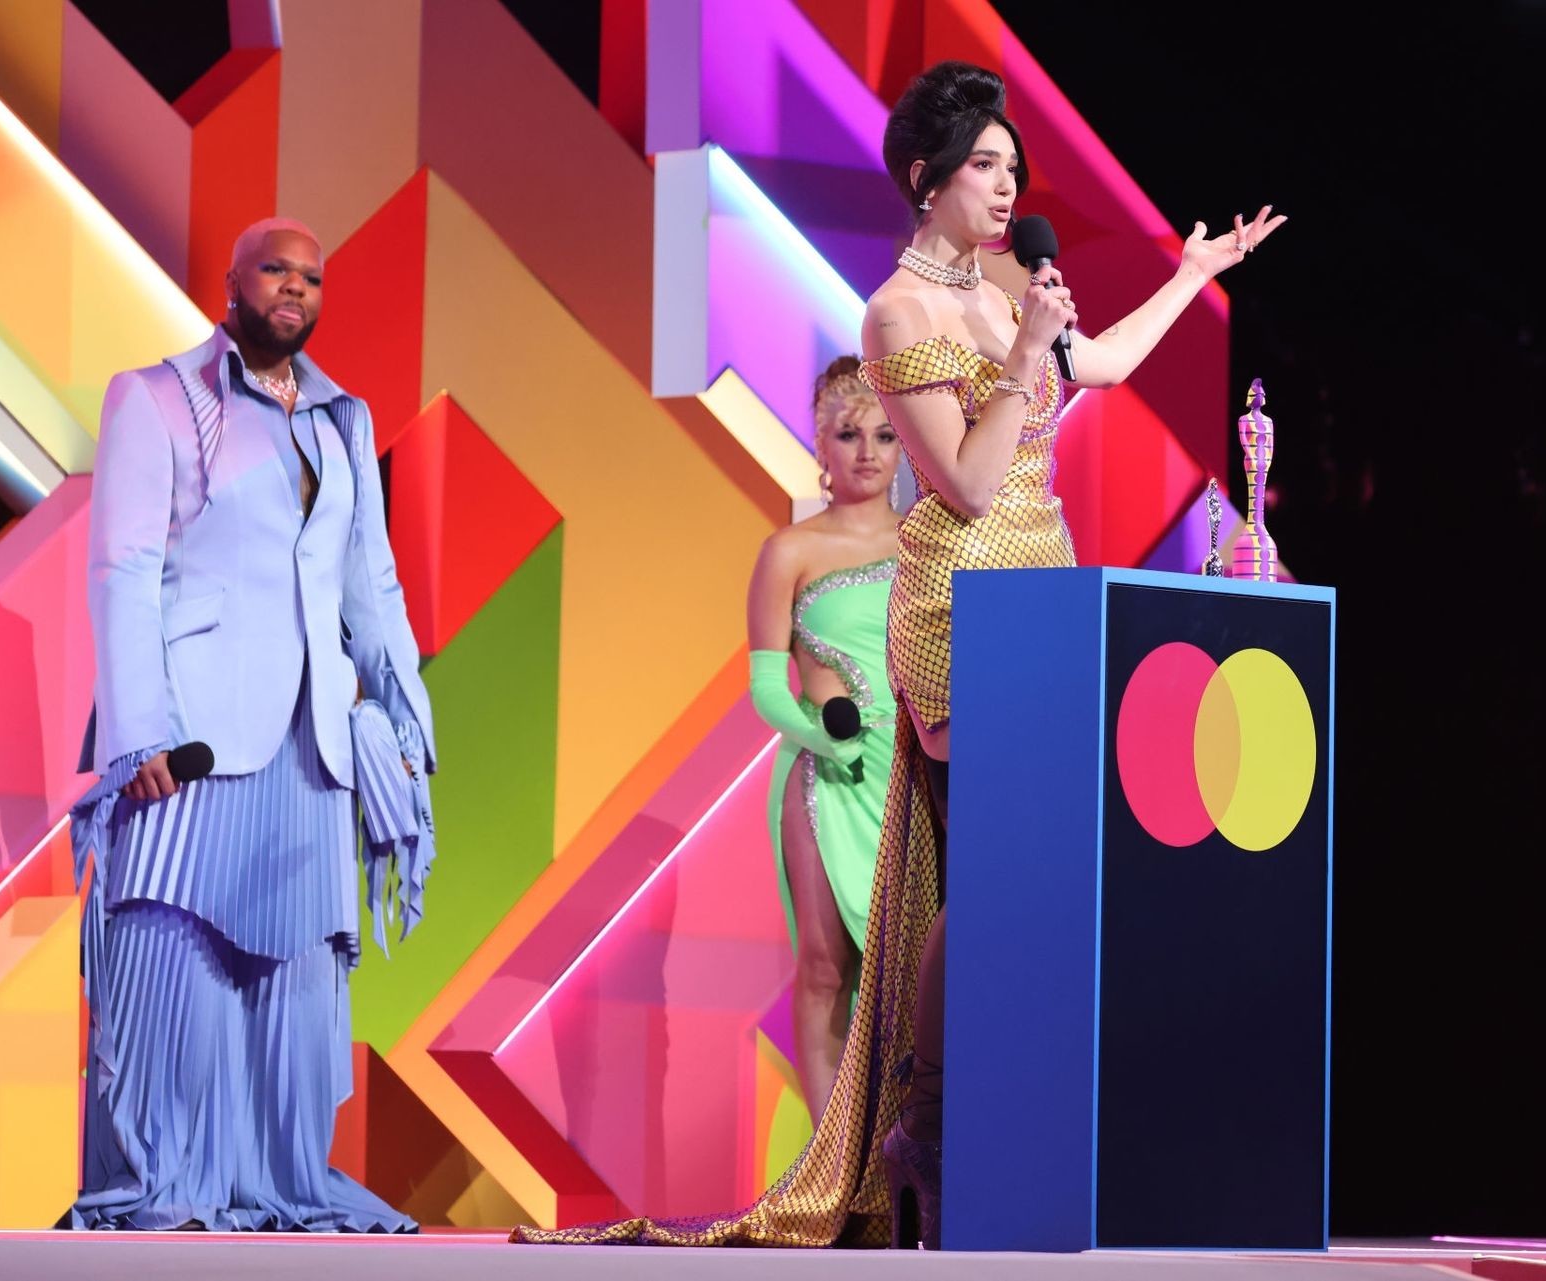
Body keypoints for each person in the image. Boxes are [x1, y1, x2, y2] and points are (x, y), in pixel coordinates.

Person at [512, 60, 1281, 1250]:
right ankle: (923, 1118)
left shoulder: (1012, 286)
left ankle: (978, 1117)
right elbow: (966, 483)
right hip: (962, 606)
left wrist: (1190, 275)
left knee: (1040, 869)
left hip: (1048, 597)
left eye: (1014, 168)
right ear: (927, 178)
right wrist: (1023, 355)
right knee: (991, 871)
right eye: (984, 166)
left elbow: (1102, 370)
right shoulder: (897, 314)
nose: (1006, 187)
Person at [66, 218, 435, 1232]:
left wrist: (407, 722)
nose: (295, 288)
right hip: (192, 736)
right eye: (276, 269)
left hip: (312, 743)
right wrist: (138, 731)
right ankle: (164, 1182)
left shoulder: (343, 418)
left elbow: (372, 582)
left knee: (296, 975)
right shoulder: (155, 396)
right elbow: (124, 568)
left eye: (311, 277)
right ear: (231, 283)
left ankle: (276, 1181)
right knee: (170, 954)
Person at [747, 358, 903, 1118]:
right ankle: (829, 1160)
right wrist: (824, 735)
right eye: (848, 434)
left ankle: (905, 1147)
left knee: (914, 972)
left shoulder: (929, 547)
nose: (867, 451)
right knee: (823, 967)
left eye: (884, 434)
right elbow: (766, 686)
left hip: (914, 773)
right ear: (820, 444)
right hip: (826, 777)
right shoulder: (790, 551)